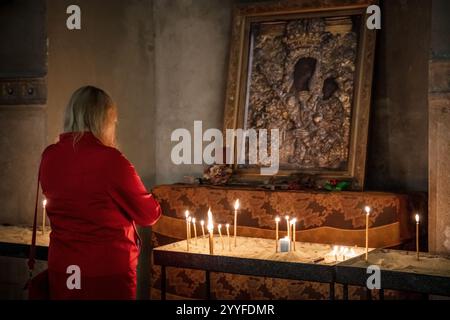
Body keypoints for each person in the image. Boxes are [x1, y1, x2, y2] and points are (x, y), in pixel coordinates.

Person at [39, 85, 161, 299]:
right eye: (113, 121)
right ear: (104, 120)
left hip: (64, 266)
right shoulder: (111, 160)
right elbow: (149, 214)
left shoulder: (49, 156)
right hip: (105, 270)